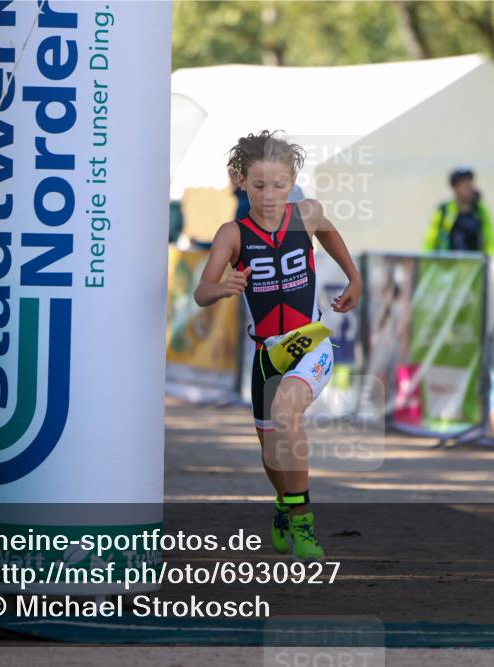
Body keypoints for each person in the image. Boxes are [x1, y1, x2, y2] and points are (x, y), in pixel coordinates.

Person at [193, 131, 362, 562]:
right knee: (271, 454)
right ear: (240, 181)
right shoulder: (232, 233)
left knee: (288, 414)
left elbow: (329, 232)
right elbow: (202, 291)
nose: (269, 196)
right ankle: (285, 505)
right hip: (267, 355)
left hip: (309, 342)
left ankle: (303, 522)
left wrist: (354, 278)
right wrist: (222, 286)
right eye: (259, 186)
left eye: (279, 185)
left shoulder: (307, 214)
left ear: (293, 182)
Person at [422, 166, 494, 254]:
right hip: (447, 265)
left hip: (475, 265)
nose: (468, 188)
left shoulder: (480, 211)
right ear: (455, 188)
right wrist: (423, 260)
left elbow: (490, 240)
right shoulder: (444, 211)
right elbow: (430, 240)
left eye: (470, 183)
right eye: (463, 184)